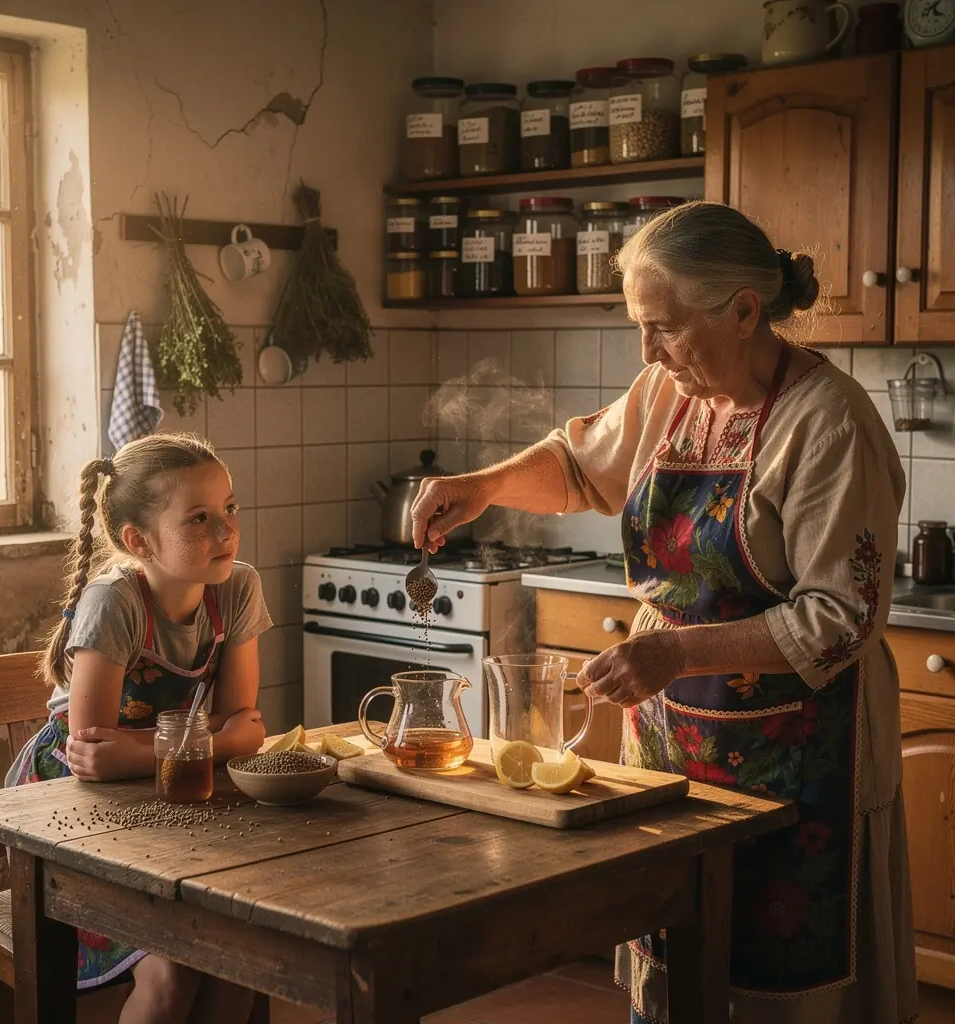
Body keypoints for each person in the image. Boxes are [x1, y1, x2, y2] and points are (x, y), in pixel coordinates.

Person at [410, 201, 917, 1024]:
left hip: (802, 754)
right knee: (679, 971)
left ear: (745, 310)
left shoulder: (828, 424)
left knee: (782, 983)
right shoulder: (666, 393)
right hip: (677, 739)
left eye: (664, 327)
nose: (647, 352)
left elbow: (838, 618)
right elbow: (579, 466)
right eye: (640, 326)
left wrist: (675, 655)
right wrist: (484, 487)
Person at [7, 432, 270, 1023]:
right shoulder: (114, 602)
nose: (226, 531)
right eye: (199, 518)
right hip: (72, 812)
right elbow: (91, 751)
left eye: (230, 508)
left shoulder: (238, 589)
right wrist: (218, 743)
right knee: (173, 969)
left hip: (163, 794)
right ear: (138, 541)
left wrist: (149, 750)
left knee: (242, 957)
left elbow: (237, 718)